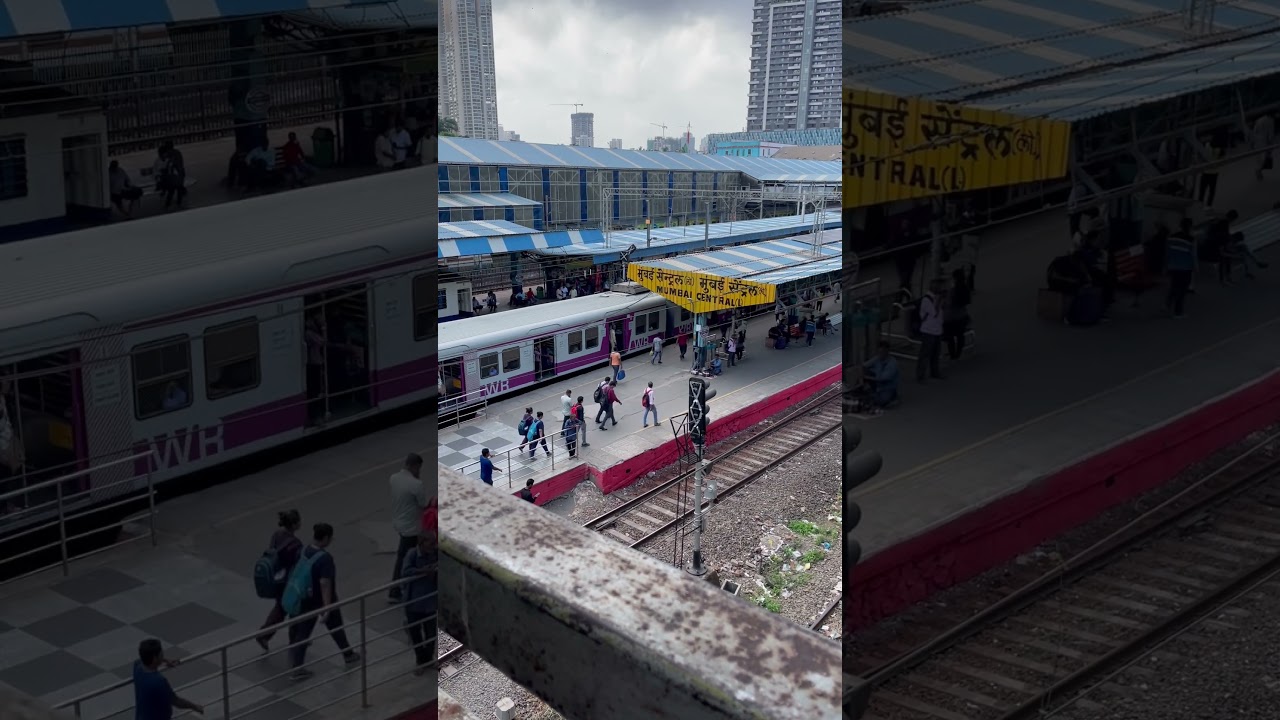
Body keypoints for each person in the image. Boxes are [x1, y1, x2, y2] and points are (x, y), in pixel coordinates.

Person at [287, 523, 360, 680]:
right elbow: (325, 583)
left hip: (305, 598)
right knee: (335, 627)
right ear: (325, 538)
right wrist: (327, 607)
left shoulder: (304, 550)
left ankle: (298, 667)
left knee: (303, 633)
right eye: (330, 538)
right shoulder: (325, 559)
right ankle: (347, 654)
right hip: (322, 600)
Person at [256, 509, 303, 652]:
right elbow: (297, 564)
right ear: (294, 524)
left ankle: (265, 635)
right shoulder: (295, 544)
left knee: (280, 609)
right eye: (299, 521)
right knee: (294, 608)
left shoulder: (277, 535)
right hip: (288, 581)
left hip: (277, 577)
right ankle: (295, 639)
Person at [133, 638, 204, 718]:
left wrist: (164, 660)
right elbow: (176, 701)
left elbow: (143, 658)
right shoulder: (158, 681)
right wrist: (195, 707)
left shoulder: (137, 667)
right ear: (155, 658)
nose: (163, 655)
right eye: (161, 654)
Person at [387, 453, 425, 604]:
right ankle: (395, 590)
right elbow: (422, 504)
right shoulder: (416, 484)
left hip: (399, 523)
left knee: (406, 556)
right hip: (412, 527)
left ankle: (403, 587)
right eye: (419, 468)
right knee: (405, 558)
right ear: (415, 466)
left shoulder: (393, 478)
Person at [400, 534, 435, 676]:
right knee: (416, 634)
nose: (433, 546)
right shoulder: (412, 554)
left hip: (430, 600)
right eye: (430, 543)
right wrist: (423, 571)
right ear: (422, 543)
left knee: (431, 634)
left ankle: (427, 659)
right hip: (413, 601)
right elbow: (405, 571)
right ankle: (421, 660)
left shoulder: (434, 554)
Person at [915, 280, 945, 383]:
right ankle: (920, 375)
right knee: (925, 354)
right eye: (938, 286)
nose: (940, 289)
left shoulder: (936, 298)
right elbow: (934, 313)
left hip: (937, 329)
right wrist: (939, 301)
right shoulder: (926, 300)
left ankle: (935, 371)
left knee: (935, 353)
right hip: (928, 331)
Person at [1166, 219, 1196, 319]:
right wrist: (1196, 267)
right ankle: (1178, 312)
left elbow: (1167, 252)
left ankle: (1167, 305)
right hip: (1185, 267)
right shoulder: (1191, 240)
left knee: (1174, 286)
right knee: (1182, 290)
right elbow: (1193, 255)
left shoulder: (1172, 237)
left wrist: (1165, 265)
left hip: (1173, 266)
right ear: (1190, 227)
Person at [943, 269, 972, 360]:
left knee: (950, 337)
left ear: (955, 278)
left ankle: (952, 354)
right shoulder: (965, 289)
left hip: (950, 318)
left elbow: (948, 303)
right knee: (960, 335)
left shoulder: (953, 291)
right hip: (962, 316)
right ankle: (958, 353)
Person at [862, 342, 900, 410]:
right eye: (879, 352)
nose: (880, 354)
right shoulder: (877, 358)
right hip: (878, 384)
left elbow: (883, 378)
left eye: (882, 352)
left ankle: (893, 397)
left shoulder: (892, 363)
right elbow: (864, 365)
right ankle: (873, 394)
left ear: (887, 351)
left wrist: (866, 377)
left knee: (880, 402)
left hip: (888, 387)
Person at [154, 141, 186, 209]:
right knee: (175, 188)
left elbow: (172, 167)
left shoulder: (171, 155)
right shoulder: (174, 153)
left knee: (173, 188)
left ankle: (169, 204)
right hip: (175, 175)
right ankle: (177, 202)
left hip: (174, 176)